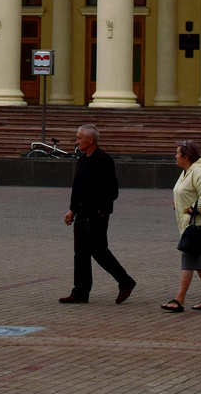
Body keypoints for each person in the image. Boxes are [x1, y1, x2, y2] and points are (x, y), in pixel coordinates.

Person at [59, 124, 135, 305]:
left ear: (90, 139)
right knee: (81, 253)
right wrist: (72, 210)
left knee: (99, 250)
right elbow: (77, 189)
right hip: (81, 213)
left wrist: (102, 211)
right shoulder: (82, 160)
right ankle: (80, 292)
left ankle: (125, 281)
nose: (76, 141)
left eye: (79, 138)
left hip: (96, 215)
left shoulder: (104, 160)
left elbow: (112, 190)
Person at [162, 140, 201, 312]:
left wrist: (195, 209)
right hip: (189, 224)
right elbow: (186, 191)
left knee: (188, 257)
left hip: (197, 225)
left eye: (178, 153)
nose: (175, 156)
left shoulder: (198, 171)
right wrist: (179, 203)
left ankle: (179, 299)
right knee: (199, 261)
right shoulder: (188, 171)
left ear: (186, 157)